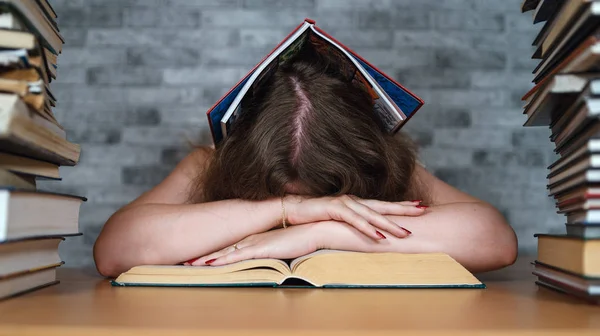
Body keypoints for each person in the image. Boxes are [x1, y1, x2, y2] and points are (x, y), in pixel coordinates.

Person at [93, 49, 518, 278]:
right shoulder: (206, 164)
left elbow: (494, 240)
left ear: (364, 165)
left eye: (327, 194)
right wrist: (287, 211)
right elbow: (113, 251)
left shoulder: (391, 167)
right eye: (277, 189)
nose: (300, 202)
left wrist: (322, 232)